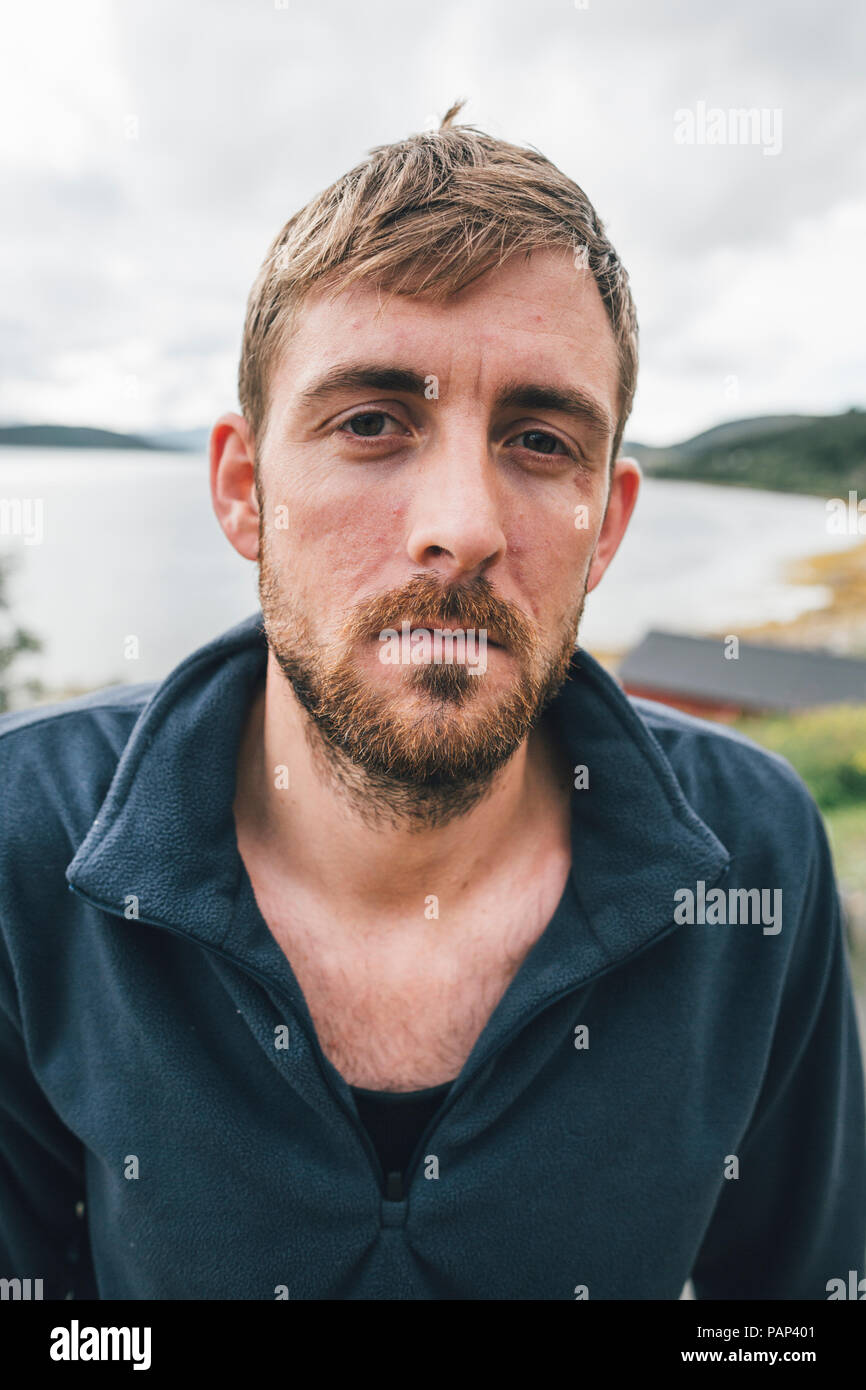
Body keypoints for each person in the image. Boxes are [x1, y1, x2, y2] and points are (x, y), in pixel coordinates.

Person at [1, 101, 863, 1301]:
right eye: (370, 423)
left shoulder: (753, 857)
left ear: (605, 524)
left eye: (538, 439)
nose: (458, 527)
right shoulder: (24, 840)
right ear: (246, 490)